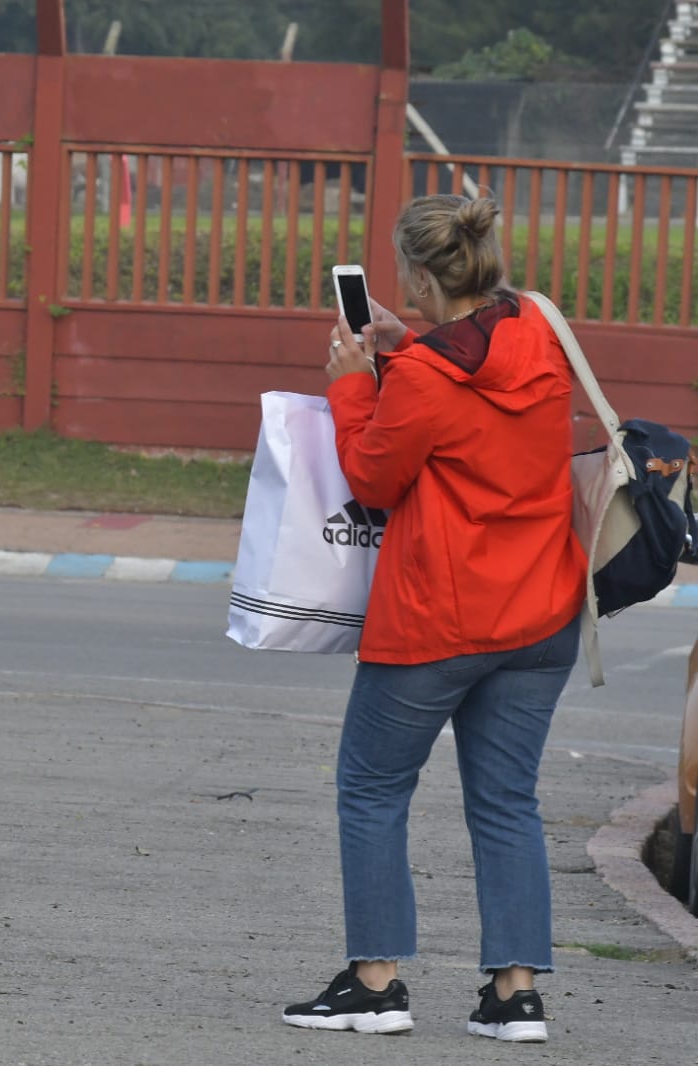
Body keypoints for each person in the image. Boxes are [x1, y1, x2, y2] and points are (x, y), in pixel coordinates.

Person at [280, 195, 586, 1042]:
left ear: (419, 276)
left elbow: (374, 478)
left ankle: (375, 984)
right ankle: (513, 995)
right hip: (541, 613)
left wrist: (351, 385)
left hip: (438, 620)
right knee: (506, 800)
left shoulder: (419, 378)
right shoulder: (536, 330)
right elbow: (474, 396)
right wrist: (404, 343)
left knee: (372, 788)